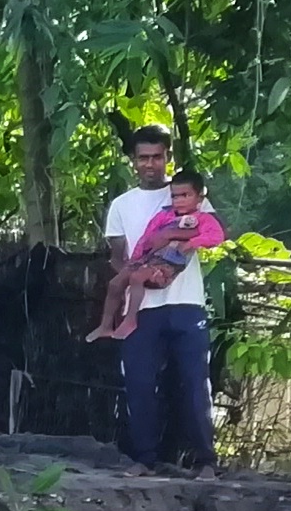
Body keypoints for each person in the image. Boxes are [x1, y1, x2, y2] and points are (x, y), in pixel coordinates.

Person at [105, 131, 219, 475]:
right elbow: (116, 256)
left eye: (157, 156)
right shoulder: (121, 205)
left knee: (195, 382)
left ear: (167, 157)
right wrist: (137, 272)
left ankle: (206, 461)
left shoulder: (187, 195)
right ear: (133, 161)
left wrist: (169, 239)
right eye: (143, 157)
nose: (150, 164)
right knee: (139, 383)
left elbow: (209, 233)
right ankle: (144, 458)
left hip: (187, 301)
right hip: (141, 307)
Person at [92, 171, 224, 341]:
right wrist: (137, 257)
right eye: (175, 196)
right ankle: (105, 325)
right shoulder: (165, 215)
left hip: (170, 262)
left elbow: (216, 236)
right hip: (149, 258)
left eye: (186, 195)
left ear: (199, 198)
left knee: (137, 278)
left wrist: (191, 243)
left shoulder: (203, 219)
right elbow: (147, 236)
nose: (180, 200)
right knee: (115, 283)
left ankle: (131, 319)